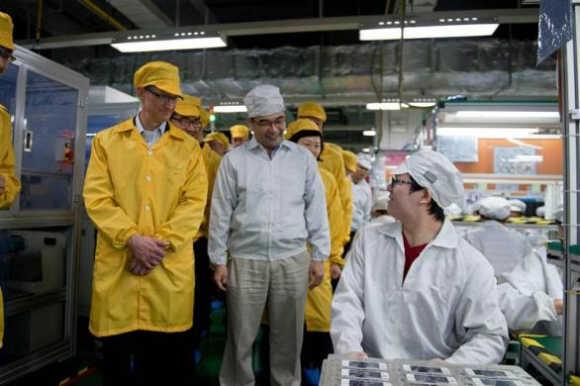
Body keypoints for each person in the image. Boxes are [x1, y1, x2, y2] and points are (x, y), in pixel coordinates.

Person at [83, 61, 208, 386]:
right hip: (121, 266)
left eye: (173, 98)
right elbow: (97, 197)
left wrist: (155, 247)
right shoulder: (107, 142)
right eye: (161, 95)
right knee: (117, 364)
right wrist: (132, 240)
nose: (169, 104)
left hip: (165, 271)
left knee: (164, 365)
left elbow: (193, 205)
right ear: (141, 92)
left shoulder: (189, 149)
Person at [331, 149, 508, 364]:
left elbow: (489, 336)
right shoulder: (369, 240)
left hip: (432, 377)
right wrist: (350, 351)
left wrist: (450, 366)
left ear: (424, 195)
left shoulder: (470, 264)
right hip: (370, 368)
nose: (388, 187)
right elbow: (347, 303)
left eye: (396, 181)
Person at [209, 85, 330, 386]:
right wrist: (218, 260)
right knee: (241, 336)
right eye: (264, 122)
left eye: (278, 121)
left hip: (292, 259)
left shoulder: (301, 160)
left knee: (288, 337)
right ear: (251, 124)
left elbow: (316, 209)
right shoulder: (234, 161)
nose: (273, 129)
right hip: (245, 258)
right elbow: (220, 213)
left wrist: (319, 255)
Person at [285, 118, 344, 384]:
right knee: (283, 327)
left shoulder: (327, 179)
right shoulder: (280, 175)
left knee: (319, 326)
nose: (312, 150)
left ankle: (316, 377)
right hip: (284, 260)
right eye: (306, 144)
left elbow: (336, 221)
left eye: (316, 145)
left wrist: (333, 258)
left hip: (317, 259)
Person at [171, 95, 222, 348]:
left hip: (197, 244)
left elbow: (217, 210)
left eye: (195, 122)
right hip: (164, 244)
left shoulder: (213, 161)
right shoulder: (162, 153)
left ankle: (192, 347)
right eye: (182, 120)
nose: (190, 127)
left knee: (196, 303)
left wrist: (217, 254)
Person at [298, 102, 352, 249]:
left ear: (322, 127)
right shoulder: (281, 155)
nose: (310, 128)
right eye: (305, 122)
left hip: (323, 241)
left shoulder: (333, 157)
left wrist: (339, 245)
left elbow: (343, 203)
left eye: (316, 124)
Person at [0, 11, 20, 352]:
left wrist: (4, 185)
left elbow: (11, 181)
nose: (2, 64)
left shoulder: (1, 119)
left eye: (5, 56)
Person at [464, 196, 532, 276]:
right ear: (507, 217)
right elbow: (528, 267)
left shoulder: (469, 237)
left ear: (481, 215)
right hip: (511, 286)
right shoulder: (520, 239)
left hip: (482, 285)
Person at [350, 154, 372, 236]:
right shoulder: (343, 182)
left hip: (356, 230)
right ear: (354, 166)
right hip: (340, 227)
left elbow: (367, 214)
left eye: (366, 170)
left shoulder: (366, 189)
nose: (363, 171)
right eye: (361, 168)